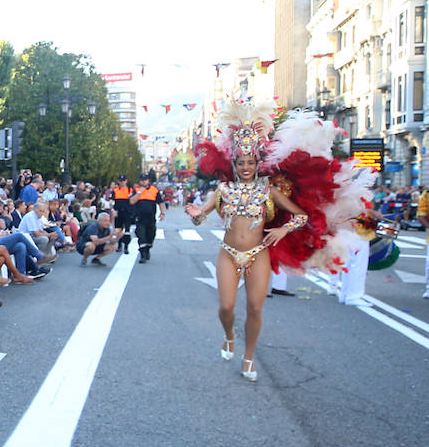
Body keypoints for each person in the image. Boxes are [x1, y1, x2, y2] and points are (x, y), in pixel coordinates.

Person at [186, 101, 367, 381]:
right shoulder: (222, 190)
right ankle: (229, 335)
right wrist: (196, 214)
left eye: (251, 162)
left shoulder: (269, 190)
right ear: (233, 164)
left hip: (258, 254)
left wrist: (283, 230)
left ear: (258, 163)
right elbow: (201, 217)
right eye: (241, 163)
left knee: (255, 308)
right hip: (229, 253)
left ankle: (248, 357)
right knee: (226, 307)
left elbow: (302, 216)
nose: (246, 167)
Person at [129, 176, 161, 262]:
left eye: (145, 180)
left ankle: (147, 249)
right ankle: (142, 254)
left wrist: (162, 213)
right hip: (140, 218)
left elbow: (161, 202)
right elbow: (132, 201)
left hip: (151, 218)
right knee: (141, 236)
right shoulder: (136, 190)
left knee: (151, 235)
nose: (143, 182)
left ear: (148, 181)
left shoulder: (155, 190)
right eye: (142, 180)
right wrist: (139, 192)